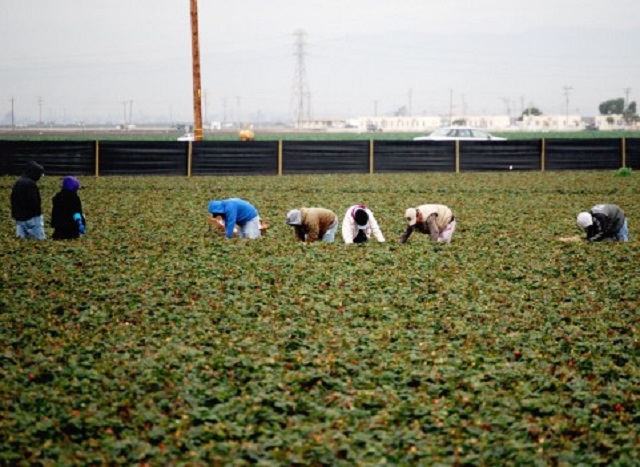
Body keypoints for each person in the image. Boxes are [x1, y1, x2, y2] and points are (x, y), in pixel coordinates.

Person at [10, 161, 46, 240]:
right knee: (39, 240)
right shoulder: (31, 184)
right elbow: (34, 202)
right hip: (32, 218)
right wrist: (38, 214)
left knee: (21, 240)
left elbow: (13, 199)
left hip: (19, 217)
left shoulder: (18, 182)